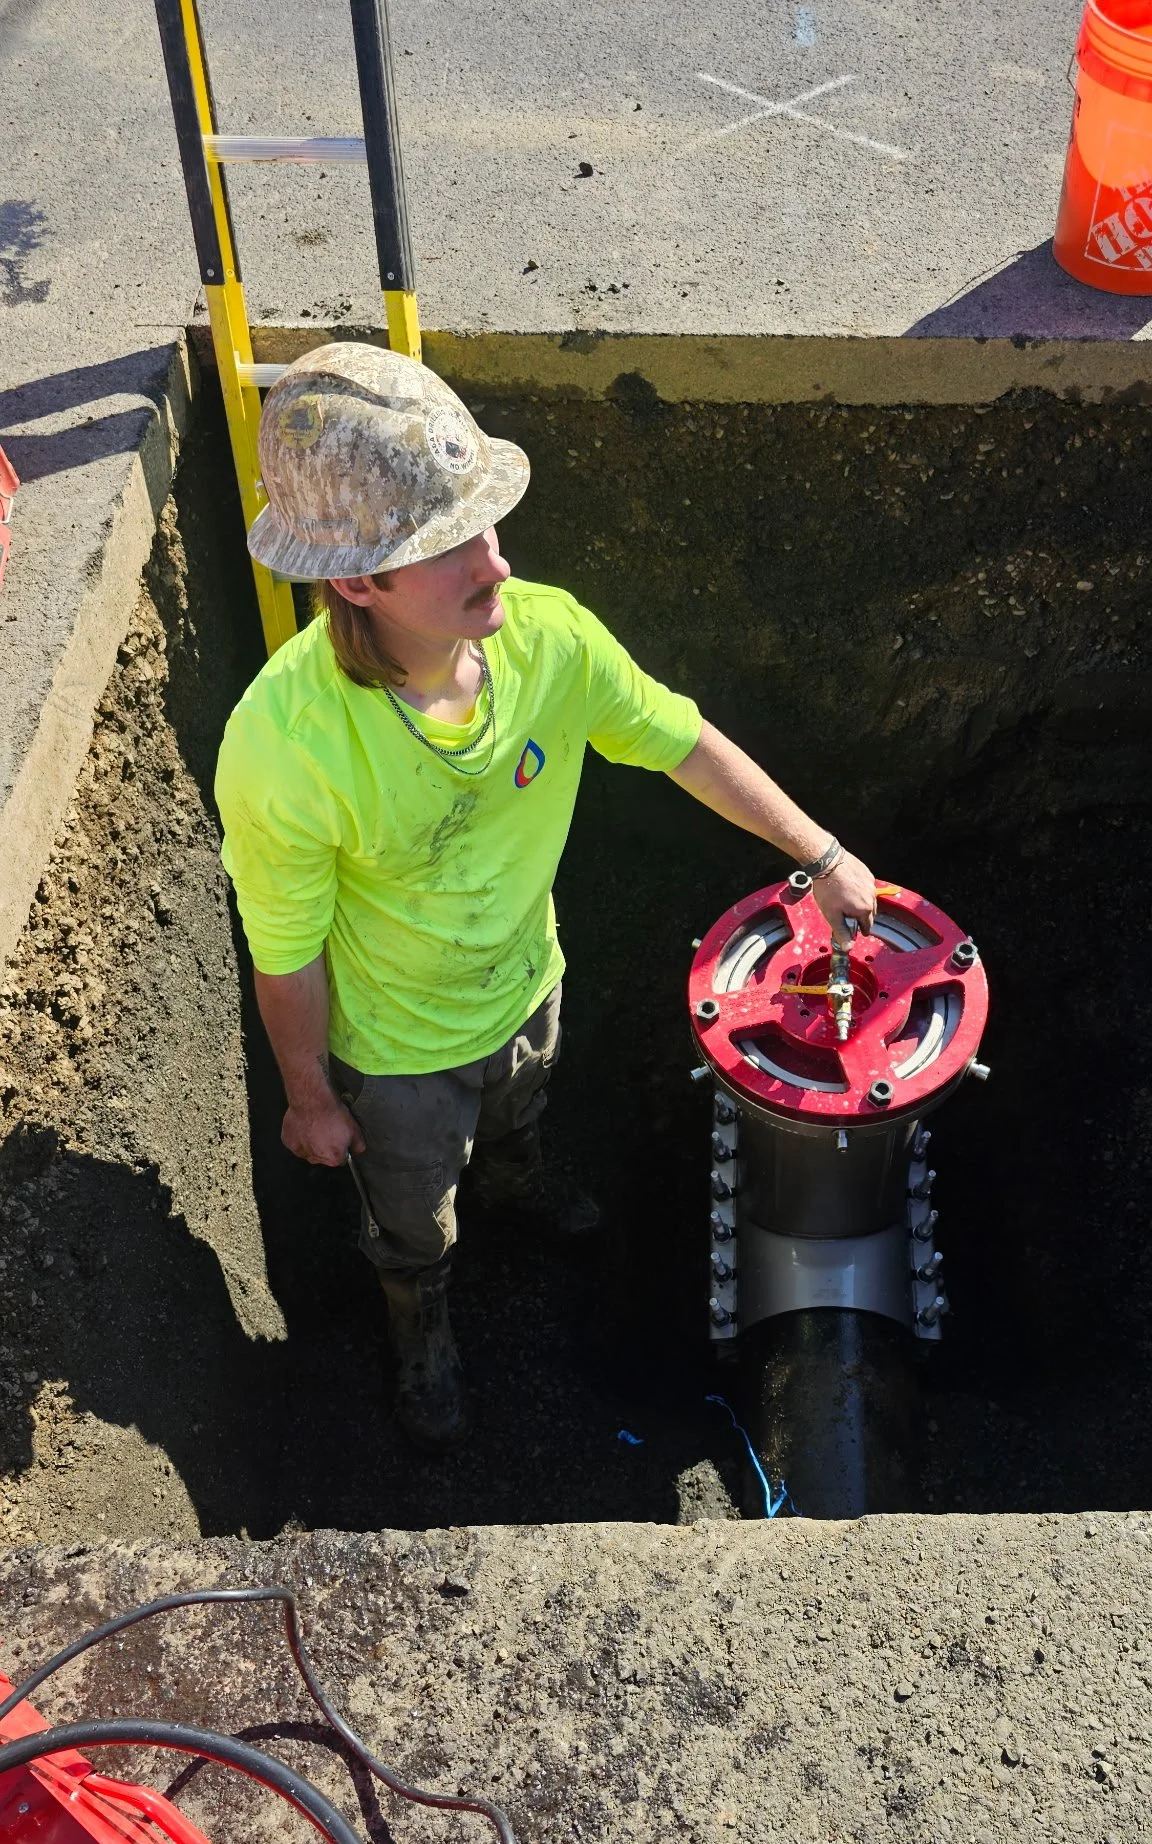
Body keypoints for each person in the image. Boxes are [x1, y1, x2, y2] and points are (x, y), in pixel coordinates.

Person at [215, 343, 875, 1449]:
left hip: (530, 980)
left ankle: (518, 1182)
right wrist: (310, 1096)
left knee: (525, 1104)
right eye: (450, 545)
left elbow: (681, 741)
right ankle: (418, 1318)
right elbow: (284, 951)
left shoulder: (548, 640)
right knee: (415, 1215)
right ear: (357, 582)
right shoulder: (285, 747)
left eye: (488, 525)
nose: (496, 564)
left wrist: (819, 851)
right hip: (399, 1056)